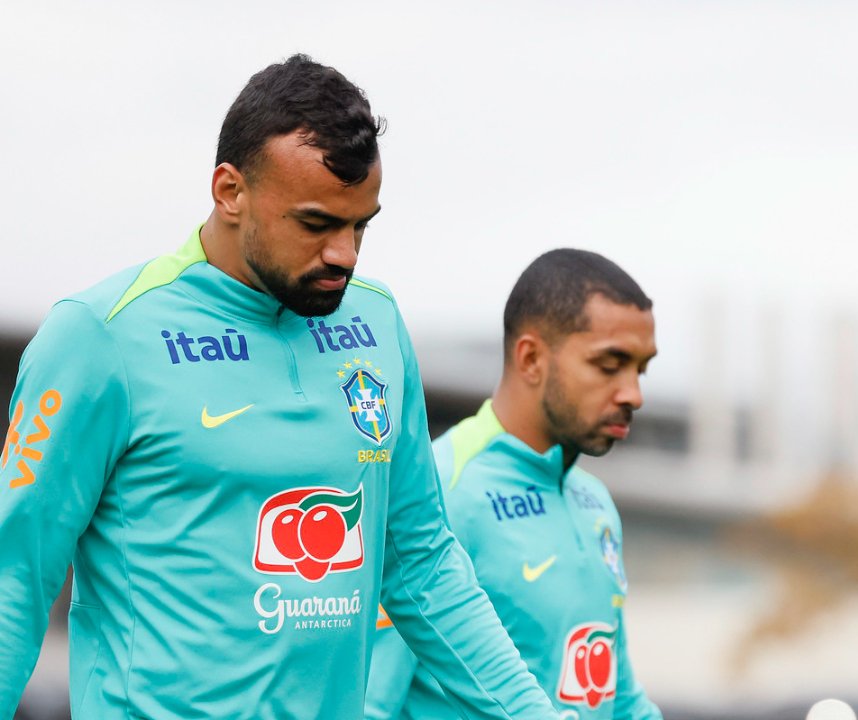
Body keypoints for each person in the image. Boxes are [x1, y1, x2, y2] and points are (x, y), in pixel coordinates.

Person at [0, 54, 558, 719]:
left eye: (360, 225)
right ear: (230, 191)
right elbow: (15, 579)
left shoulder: (377, 323)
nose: (344, 254)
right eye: (317, 224)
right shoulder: (100, 336)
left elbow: (421, 564)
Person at [365, 249, 663, 720]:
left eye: (640, 369)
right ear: (531, 358)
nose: (634, 394)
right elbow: (369, 704)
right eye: (610, 364)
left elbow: (619, 700)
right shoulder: (438, 489)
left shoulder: (596, 503)